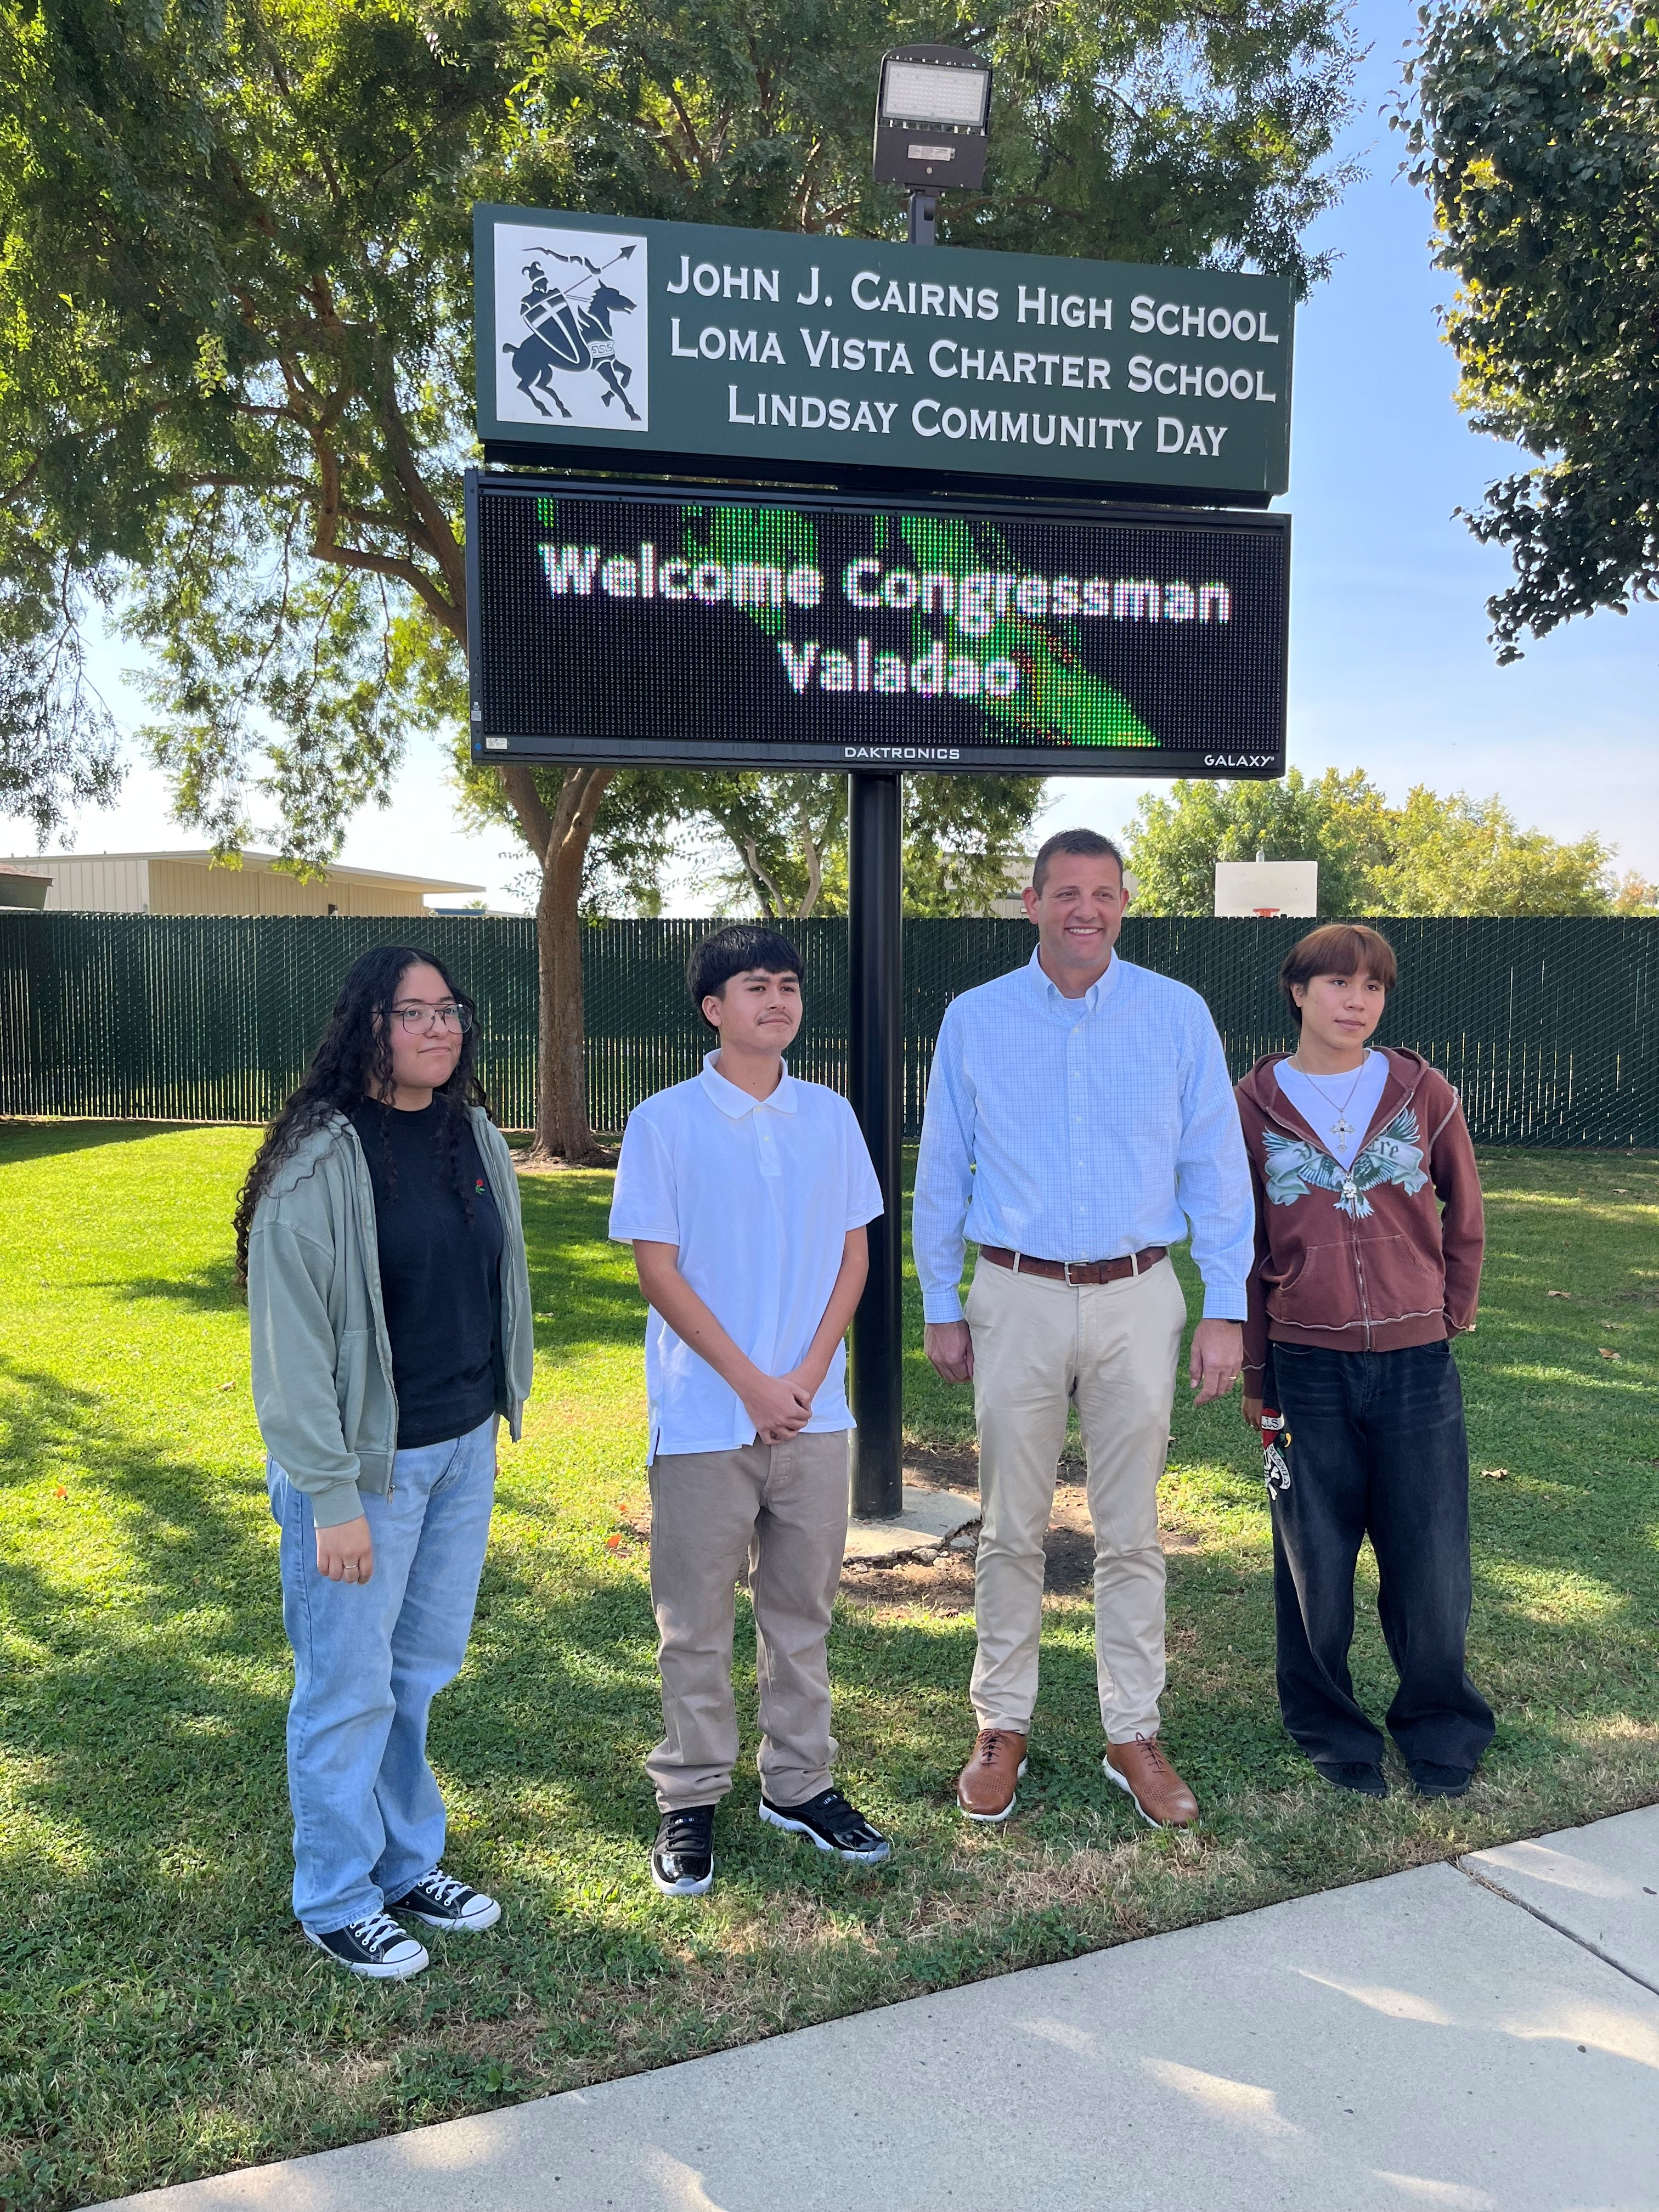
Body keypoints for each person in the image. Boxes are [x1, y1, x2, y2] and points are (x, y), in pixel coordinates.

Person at [914, 829, 1254, 1829]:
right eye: (1066, 892)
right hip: (1013, 1295)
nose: (1086, 910)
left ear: (1123, 903)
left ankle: (1131, 1732)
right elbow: (943, 1168)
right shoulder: (975, 1018)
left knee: (1131, 1531)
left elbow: (1216, 1174)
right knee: (1011, 1527)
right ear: (1031, 903)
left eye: (1104, 893)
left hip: (1136, 1294)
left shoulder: (1176, 1014)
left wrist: (1225, 1306)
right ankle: (1001, 1725)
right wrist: (942, 1299)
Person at [238, 946, 534, 1979]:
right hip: (365, 1473)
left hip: (461, 1450)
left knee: (414, 1679)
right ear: (368, 1026)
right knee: (346, 1688)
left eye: (451, 1010)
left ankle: (406, 1864)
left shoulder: (472, 1135)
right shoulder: (318, 1160)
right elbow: (289, 1355)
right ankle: (334, 1893)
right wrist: (332, 1500)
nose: (440, 1029)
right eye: (415, 1013)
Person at [608, 923, 889, 1898]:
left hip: (815, 1416)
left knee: (802, 1611)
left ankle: (799, 1784)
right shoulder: (665, 1122)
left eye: (787, 986)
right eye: (753, 986)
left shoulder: (831, 1118)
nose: (776, 1001)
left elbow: (856, 1255)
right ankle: (689, 1797)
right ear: (712, 1008)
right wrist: (751, 1384)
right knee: (693, 1622)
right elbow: (659, 1268)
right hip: (703, 1420)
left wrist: (804, 1377)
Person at [1236, 923, 1494, 1800]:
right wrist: (1256, 1374)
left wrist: (1446, 1307)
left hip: (1418, 1366)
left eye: (1374, 987)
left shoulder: (1421, 1091)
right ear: (1298, 992)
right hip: (1302, 1369)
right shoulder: (1253, 1104)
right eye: (1339, 984)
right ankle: (1330, 1725)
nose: (1358, 1002)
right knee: (1311, 1554)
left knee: (1431, 1558)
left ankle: (1440, 1727)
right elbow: (1241, 1243)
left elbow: (1464, 1207)